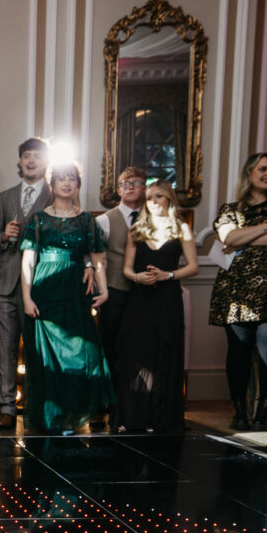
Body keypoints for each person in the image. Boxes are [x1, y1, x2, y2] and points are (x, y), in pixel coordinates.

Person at [208, 153, 267, 430]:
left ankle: (264, 410)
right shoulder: (230, 209)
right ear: (249, 173)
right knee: (238, 350)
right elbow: (228, 237)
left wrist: (245, 237)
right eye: (262, 168)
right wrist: (265, 227)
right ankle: (239, 409)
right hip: (236, 288)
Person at [20, 160, 113, 433]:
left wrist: (104, 290)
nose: (67, 183)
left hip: (74, 291)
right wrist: (26, 298)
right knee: (47, 357)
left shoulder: (87, 221)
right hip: (45, 290)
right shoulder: (38, 219)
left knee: (79, 353)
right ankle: (52, 417)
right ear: (52, 184)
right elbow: (28, 261)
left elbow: (98, 259)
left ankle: (73, 414)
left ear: (78, 184)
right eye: (61, 178)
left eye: (71, 178)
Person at [114, 181, 198, 433]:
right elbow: (126, 268)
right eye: (149, 197)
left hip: (168, 298)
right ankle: (133, 417)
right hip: (140, 299)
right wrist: (136, 277)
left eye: (158, 196)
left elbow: (194, 267)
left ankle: (160, 418)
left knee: (166, 352)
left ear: (169, 199)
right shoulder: (136, 229)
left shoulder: (181, 228)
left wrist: (168, 275)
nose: (153, 201)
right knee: (136, 354)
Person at [0, 138, 51, 430]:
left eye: (37, 156)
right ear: (20, 162)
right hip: (4, 285)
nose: (31, 160)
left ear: (45, 162)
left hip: (38, 285)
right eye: (27, 156)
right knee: (5, 350)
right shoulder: (5, 196)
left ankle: (35, 407)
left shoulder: (54, 195)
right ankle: (7, 408)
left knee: (36, 351)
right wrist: (3, 237)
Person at [96, 166, 148, 413]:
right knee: (110, 345)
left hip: (146, 293)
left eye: (135, 183)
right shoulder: (105, 220)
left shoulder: (155, 218)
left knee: (140, 347)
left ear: (144, 188)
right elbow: (95, 258)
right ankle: (107, 401)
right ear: (118, 190)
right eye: (124, 184)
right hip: (115, 290)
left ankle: (134, 403)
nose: (129, 187)